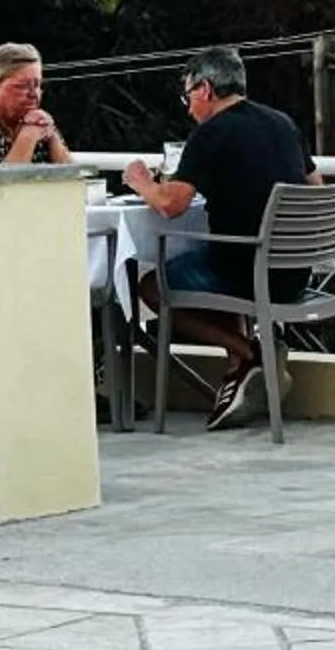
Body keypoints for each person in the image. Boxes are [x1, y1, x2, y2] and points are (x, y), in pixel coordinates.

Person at [121, 46, 317, 428]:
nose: (188, 106)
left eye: (187, 95)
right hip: (296, 268)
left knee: (152, 286)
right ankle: (242, 368)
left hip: (250, 271)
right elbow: (315, 187)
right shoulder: (282, 123)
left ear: (206, 89)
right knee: (213, 254)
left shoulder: (211, 134)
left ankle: (249, 354)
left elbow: (171, 204)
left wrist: (140, 181)